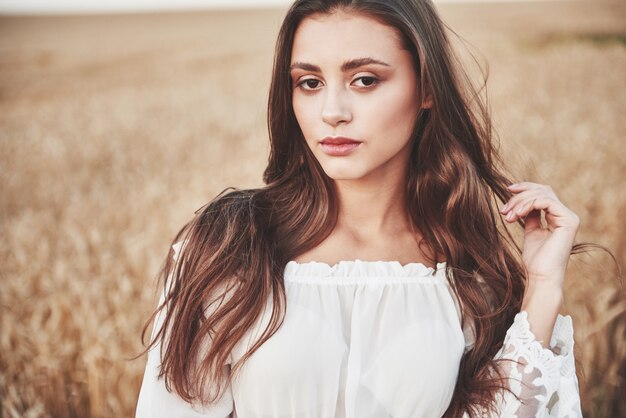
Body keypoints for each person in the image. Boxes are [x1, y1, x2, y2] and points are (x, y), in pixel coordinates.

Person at [136, 0, 588, 416]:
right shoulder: (230, 244)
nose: (332, 111)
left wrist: (543, 288)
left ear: (427, 88)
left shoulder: (466, 272)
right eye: (309, 83)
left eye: (365, 80)